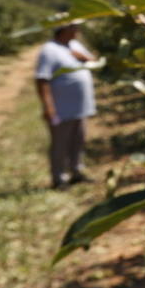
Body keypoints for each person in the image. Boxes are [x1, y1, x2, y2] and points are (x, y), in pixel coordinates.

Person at [34, 20, 97, 189]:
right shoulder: (49, 50)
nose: (77, 30)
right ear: (63, 30)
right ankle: (59, 178)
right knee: (60, 144)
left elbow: (93, 61)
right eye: (74, 27)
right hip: (61, 109)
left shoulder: (75, 45)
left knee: (78, 140)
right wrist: (48, 107)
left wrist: (84, 58)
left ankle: (76, 172)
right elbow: (42, 80)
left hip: (80, 107)